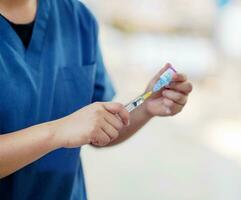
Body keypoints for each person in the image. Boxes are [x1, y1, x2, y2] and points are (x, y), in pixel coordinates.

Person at [0, 0, 193, 199]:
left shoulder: (78, 18)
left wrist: (146, 107)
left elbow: (97, 128)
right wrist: (58, 132)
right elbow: (71, 128)